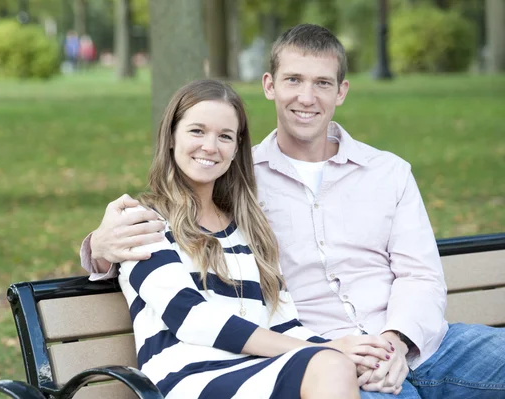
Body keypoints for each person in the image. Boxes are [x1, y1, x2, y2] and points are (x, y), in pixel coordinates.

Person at [81, 25, 505, 398]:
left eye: (322, 83)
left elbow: (421, 275)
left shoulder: (387, 173)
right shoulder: (244, 182)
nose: (307, 97)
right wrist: (99, 246)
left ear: (341, 91)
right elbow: (171, 255)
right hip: (321, 360)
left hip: (413, 344)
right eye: (294, 80)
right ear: (270, 85)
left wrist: (395, 342)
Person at [87, 79, 396, 398]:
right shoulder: (143, 222)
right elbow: (190, 318)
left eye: (224, 136)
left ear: (236, 149)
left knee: (350, 370)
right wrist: (330, 351)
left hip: (256, 372)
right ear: (170, 137)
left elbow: (284, 323)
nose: (210, 146)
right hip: (188, 377)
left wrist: (354, 354)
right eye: (197, 131)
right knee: (331, 365)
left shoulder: (251, 230)